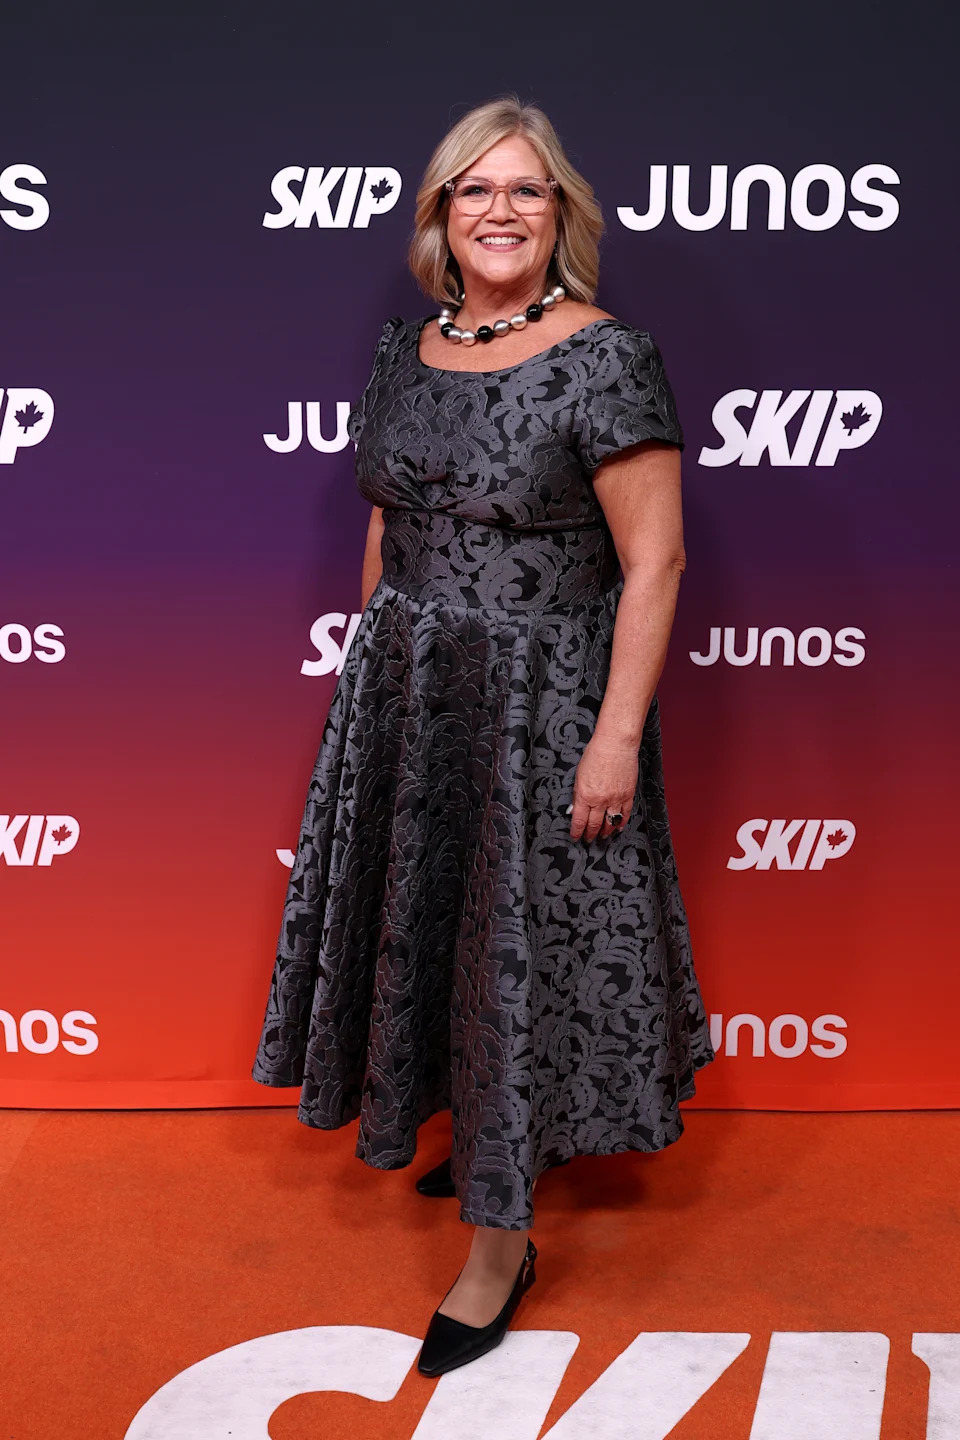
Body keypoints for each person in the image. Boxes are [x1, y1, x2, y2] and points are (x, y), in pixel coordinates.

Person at [252, 93, 715, 1377]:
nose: (499, 211)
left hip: (542, 698)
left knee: (519, 945)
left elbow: (658, 559)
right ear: (440, 217)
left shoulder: (607, 354)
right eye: (474, 190)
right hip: (411, 690)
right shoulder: (412, 348)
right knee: (441, 924)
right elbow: (388, 519)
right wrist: (371, 677)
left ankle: (502, 1245)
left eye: (525, 190)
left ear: (560, 213)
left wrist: (614, 738)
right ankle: (472, 1120)